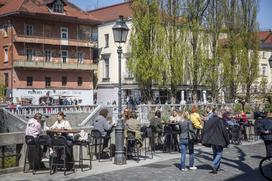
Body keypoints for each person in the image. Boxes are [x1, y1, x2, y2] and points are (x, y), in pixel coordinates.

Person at [202, 110, 230, 174]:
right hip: (219, 140)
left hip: (212, 140)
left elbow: (205, 128)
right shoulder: (220, 120)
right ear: (218, 114)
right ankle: (214, 164)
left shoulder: (210, 120)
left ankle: (216, 168)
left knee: (215, 153)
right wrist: (227, 142)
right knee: (219, 153)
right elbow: (224, 131)